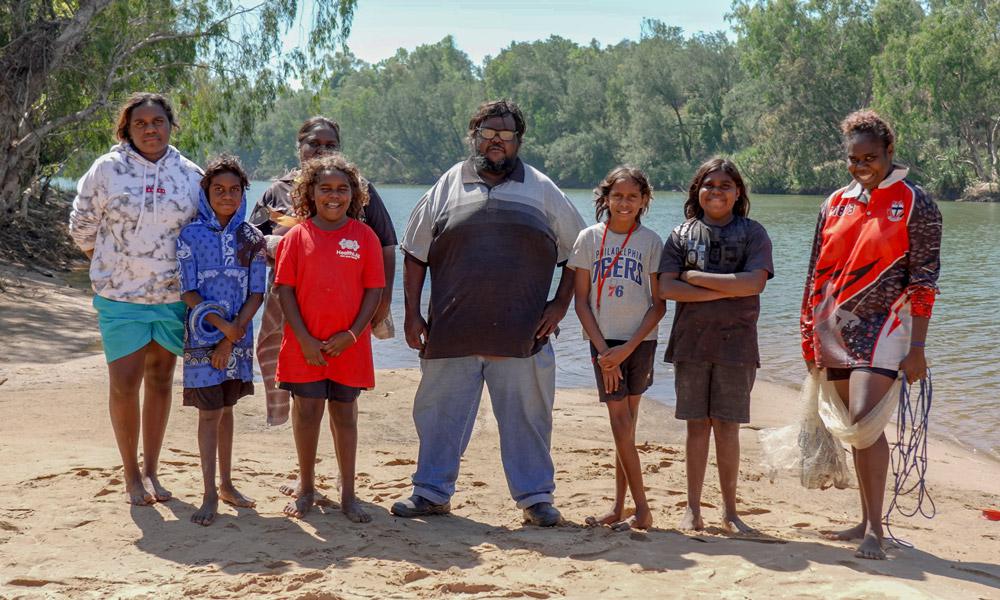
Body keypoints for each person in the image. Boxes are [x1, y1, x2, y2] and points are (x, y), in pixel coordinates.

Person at [392, 99, 586, 527]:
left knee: (529, 418)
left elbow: (581, 250)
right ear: (473, 137)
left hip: (522, 336)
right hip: (450, 331)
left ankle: (535, 498)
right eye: (487, 133)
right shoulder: (448, 184)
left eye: (506, 135)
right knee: (438, 414)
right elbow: (414, 253)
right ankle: (430, 492)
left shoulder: (541, 188)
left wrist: (559, 305)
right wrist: (411, 315)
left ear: (519, 141)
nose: (496, 142)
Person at [801, 110, 941, 560]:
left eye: (872, 156)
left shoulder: (916, 202)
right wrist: (809, 333)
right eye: (854, 157)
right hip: (834, 327)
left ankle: (876, 531)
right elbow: (815, 272)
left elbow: (924, 278)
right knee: (849, 426)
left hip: (889, 326)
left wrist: (917, 347)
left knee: (862, 421)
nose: (863, 165)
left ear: (889, 152)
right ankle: (863, 518)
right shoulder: (835, 202)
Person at [69, 92, 202, 506]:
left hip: (171, 297)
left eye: (158, 121)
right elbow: (81, 224)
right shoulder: (106, 170)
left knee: (161, 381)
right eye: (140, 123)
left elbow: (200, 234)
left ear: (170, 124)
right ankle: (130, 476)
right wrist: (111, 265)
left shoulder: (191, 175)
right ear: (126, 128)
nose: (150, 129)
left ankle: (152, 471)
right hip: (120, 297)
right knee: (125, 384)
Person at [249, 117, 397, 429]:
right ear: (299, 146)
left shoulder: (357, 189)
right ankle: (305, 474)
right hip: (288, 303)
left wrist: (383, 302)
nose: (321, 149)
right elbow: (249, 243)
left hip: (347, 305)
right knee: (300, 388)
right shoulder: (277, 191)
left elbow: (386, 245)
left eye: (330, 144)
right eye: (314, 143)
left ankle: (343, 475)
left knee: (344, 395)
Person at [657, 157, 773, 534]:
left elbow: (753, 284)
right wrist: (721, 290)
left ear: (738, 192)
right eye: (709, 185)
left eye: (725, 185)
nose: (717, 191)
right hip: (691, 343)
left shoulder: (754, 233)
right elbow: (667, 288)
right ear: (697, 191)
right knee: (695, 427)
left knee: (727, 427)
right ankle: (692, 507)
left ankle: (729, 509)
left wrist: (696, 279)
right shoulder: (680, 234)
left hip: (737, 346)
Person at [273, 153, 385, 522]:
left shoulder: (365, 237)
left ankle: (348, 494)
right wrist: (304, 338)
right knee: (306, 413)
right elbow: (284, 290)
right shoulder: (296, 237)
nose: (333, 196)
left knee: (345, 415)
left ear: (354, 194)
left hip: (348, 346)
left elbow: (373, 291)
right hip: (305, 345)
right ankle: (306, 487)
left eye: (342, 189)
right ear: (310, 192)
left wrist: (353, 335)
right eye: (325, 189)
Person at [568, 166, 665, 531]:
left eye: (632, 197)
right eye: (618, 196)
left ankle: (622, 506)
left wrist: (626, 350)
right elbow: (581, 302)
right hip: (603, 344)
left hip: (639, 343)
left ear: (643, 201)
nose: (624, 203)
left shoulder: (651, 242)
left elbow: (658, 305)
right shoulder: (589, 239)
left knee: (626, 429)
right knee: (621, 425)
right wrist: (604, 352)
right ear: (605, 198)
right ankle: (641, 509)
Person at [176, 155, 266, 526]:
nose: (226, 196)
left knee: (227, 410)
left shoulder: (253, 239)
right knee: (209, 413)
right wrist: (221, 329)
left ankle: (228, 484)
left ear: (244, 193)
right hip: (202, 337)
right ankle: (209, 493)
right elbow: (188, 291)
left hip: (239, 339)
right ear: (206, 193)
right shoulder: (190, 235)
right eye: (218, 190)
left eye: (234, 190)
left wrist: (233, 335)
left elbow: (257, 293)